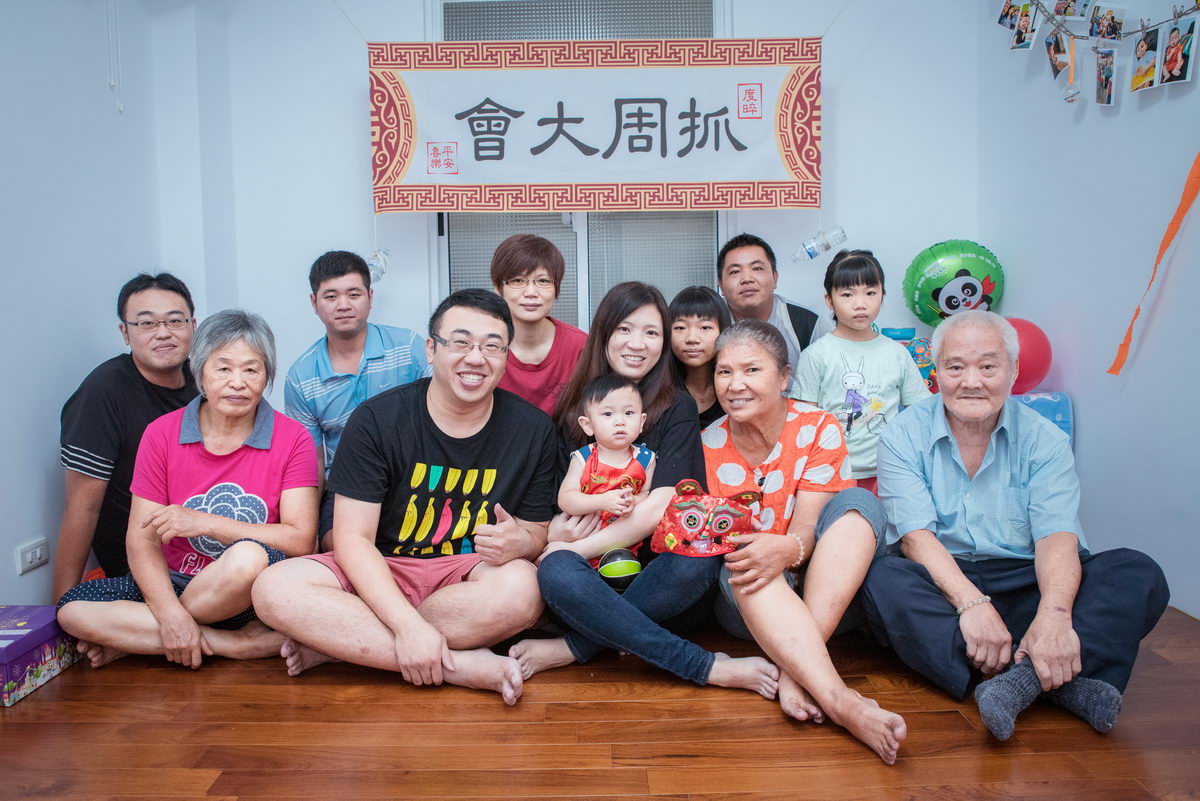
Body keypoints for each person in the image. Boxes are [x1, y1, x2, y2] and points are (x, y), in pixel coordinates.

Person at [860, 311, 1169, 741]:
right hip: (948, 582)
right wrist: (971, 605)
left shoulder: (1045, 439)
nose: (971, 381)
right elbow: (915, 538)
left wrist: (1054, 616)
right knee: (881, 578)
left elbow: (1056, 538)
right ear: (937, 372)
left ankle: (1013, 682)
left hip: (1028, 577)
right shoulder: (902, 435)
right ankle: (1057, 681)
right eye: (955, 367)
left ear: (1014, 370)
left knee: (1137, 572)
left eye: (988, 366)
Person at [252, 289, 558, 705]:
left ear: (506, 356)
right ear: (431, 349)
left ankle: (341, 646)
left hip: (467, 572)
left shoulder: (533, 429)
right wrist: (407, 627)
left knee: (524, 589)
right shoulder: (377, 420)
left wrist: (519, 541)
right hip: (381, 567)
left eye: (492, 346)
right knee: (274, 588)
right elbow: (352, 540)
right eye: (461, 342)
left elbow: (537, 533)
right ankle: (455, 666)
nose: (476, 358)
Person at [509, 283, 778, 700]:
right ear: (604, 334)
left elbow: (665, 503)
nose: (637, 344)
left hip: (660, 584)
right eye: (625, 329)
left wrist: (573, 547)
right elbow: (552, 511)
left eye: (651, 332)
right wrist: (557, 539)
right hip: (588, 583)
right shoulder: (574, 411)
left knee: (699, 556)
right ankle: (704, 666)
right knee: (555, 570)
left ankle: (578, 646)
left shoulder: (676, 406)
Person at [56, 310, 320, 669]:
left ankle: (145, 638)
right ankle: (233, 644)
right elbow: (141, 539)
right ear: (199, 371)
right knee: (72, 611)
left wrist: (204, 523)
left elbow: (301, 540)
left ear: (267, 375)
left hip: (250, 593)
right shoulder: (161, 433)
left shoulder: (293, 439)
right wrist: (170, 614)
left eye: (251, 369)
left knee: (247, 557)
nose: (237, 382)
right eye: (223, 368)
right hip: (173, 583)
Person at [701, 320, 906, 764]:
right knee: (745, 557)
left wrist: (789, 550)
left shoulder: (818, 426)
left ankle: (796, 673)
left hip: (828, 592)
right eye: (724, 372)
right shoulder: (706, 443)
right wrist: (767, 553)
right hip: (752, 605)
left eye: (751, 370)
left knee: (858, 503)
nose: (735, 384)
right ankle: (840, 700)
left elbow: (809, 526)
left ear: (783, 377)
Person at [54, 273, 200, 602]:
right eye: (147, 323)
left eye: (175, 321)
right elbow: (82, 509)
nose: (163, 333)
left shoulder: (204, 381)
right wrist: (59, 608)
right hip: (140, 566)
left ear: (193, 325)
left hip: (202, 550)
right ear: (125, 332)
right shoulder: (103, 392)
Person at [284, 250, 430, 552]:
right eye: (331, 296)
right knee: (338, 547)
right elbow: (313, 462)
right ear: (314, 303)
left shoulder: (409, 348)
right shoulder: (302, 376)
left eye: (354, 294)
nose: (344, 305)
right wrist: (308, 531)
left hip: (415, 478)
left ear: (370, 297)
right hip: (346, 485)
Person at [795, 250, 929, 494]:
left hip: (890, 471)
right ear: (829, 300)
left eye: (870, 293)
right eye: (847, 294)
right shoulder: (816, 355)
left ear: (882, 295)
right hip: (831, 472)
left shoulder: (897, 353)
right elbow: (804, 423)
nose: (860, 303)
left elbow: (921, 412)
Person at [716, 233, 832, 396]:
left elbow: (832, 384)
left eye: (757, 268)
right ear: (720, 285)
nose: (747, 278)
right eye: (735, 271)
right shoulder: (709, 325)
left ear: (775, 278)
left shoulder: (806, 323)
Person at [491, 234, 587, 415]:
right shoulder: (484, 347)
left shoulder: (580, 347)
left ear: (557, 289)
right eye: (517, 280)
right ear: (498, 289)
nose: (531, 292)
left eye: (543, 281)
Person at [557, 374, 656, 528]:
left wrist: (634, 500)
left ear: (642, 421)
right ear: (588, 425)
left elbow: (647, 494)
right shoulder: (583, 458)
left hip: (627, 536)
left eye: (628, 413)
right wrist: (602, 501)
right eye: (608, 414)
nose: (620, 422)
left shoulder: (645, 459)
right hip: (585, 533)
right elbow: (565, 499)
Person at [668, 285, 733, 429]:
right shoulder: (660, 391)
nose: (692, 338)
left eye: (705, 327)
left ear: (723, 331)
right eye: (680, 328)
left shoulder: (736, 387)